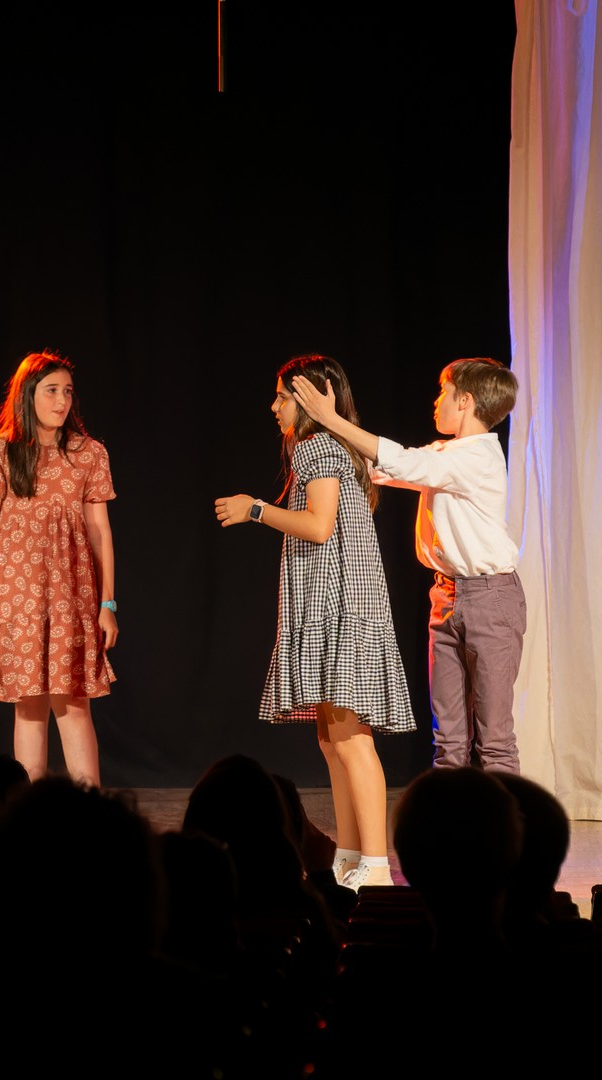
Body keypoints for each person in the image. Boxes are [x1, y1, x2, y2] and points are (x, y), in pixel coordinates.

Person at [214, 355, 415, 891]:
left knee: (350, 738)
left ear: (306, 399)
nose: (273, 407)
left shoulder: (318, 447)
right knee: (332, 740)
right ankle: (349, 860)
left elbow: (320, 526)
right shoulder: (329, 447)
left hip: (341, 605)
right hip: (331, 603)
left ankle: (374, 868)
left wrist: (255, 509)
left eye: (282, 397)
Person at [294, 357, 525, 773]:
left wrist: (332, 419)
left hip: (490, 599)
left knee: (494, 741)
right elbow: (383, 467)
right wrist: (328, 429)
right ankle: (445, 815)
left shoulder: (478, 457)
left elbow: (402, 462)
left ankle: (504, 816)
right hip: (447, 596)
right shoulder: (445, 453)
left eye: (444, 393)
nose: (436, 401)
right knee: (448, 740)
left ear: (465, 401)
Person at [0, 350, 117, 787]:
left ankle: (90, 811)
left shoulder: (88, 454)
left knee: (74, 704)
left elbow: (100, 534)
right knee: (28, 706)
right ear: (27, 394)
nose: (62, 401)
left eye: (67, 391)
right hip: (17, 599)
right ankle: (31, 814)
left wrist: (107, 604)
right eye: (51, 391)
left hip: (72, 599)